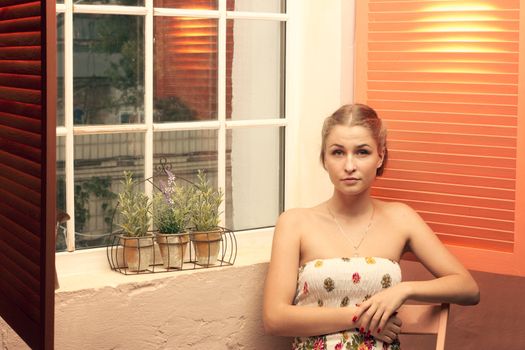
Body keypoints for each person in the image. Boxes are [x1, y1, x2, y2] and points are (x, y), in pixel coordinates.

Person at [262, 103, 480, 349]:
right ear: (324, 158)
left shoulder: (401, 218)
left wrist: (403, 291)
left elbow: (468, 288)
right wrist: (360, 319)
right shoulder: (294, 223)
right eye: (337, 152)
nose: (349, 166)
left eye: (362, 152)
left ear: (381, 156)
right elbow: (274, 319)